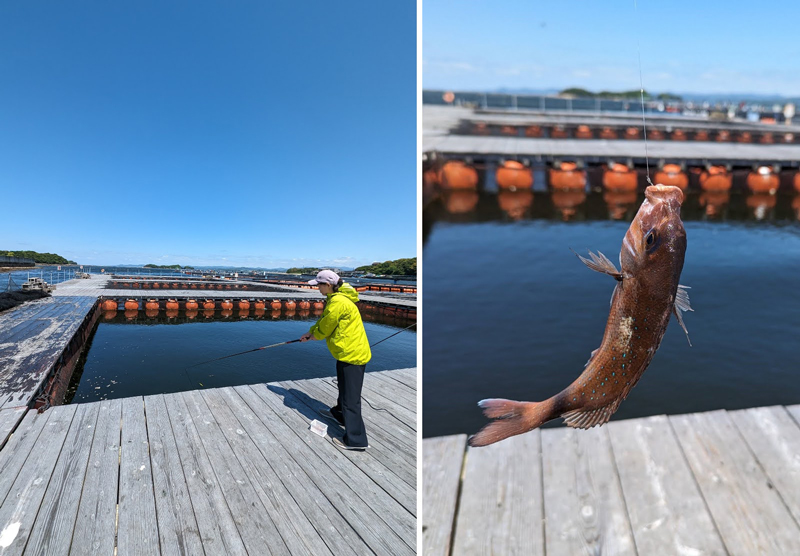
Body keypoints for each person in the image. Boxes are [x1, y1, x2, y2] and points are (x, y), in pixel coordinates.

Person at [300, 269, 371, 451]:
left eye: (319, 285)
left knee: (351, 399)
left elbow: (326, 328)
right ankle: (339, 415)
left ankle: (356, 440)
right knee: (344, 388)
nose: (317, 288)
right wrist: (311, 331)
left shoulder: (337, 302)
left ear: (329, 285)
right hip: (346, 352)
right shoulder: (335, 298)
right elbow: (324, 321)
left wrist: (313, 336)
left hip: (352, 355)